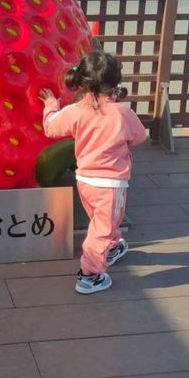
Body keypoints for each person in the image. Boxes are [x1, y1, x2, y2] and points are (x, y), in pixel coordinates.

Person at [39, 51, 148, 294]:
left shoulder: (76, 110)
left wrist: (50, 105)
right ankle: (89, 275)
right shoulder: (123, 113)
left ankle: (109, 249)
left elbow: (50, 127)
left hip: (85, 180)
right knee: (103, 227)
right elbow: (140, 137)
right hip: (111, 183)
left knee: (102, 222)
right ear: (115, 83)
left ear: (82, 81)